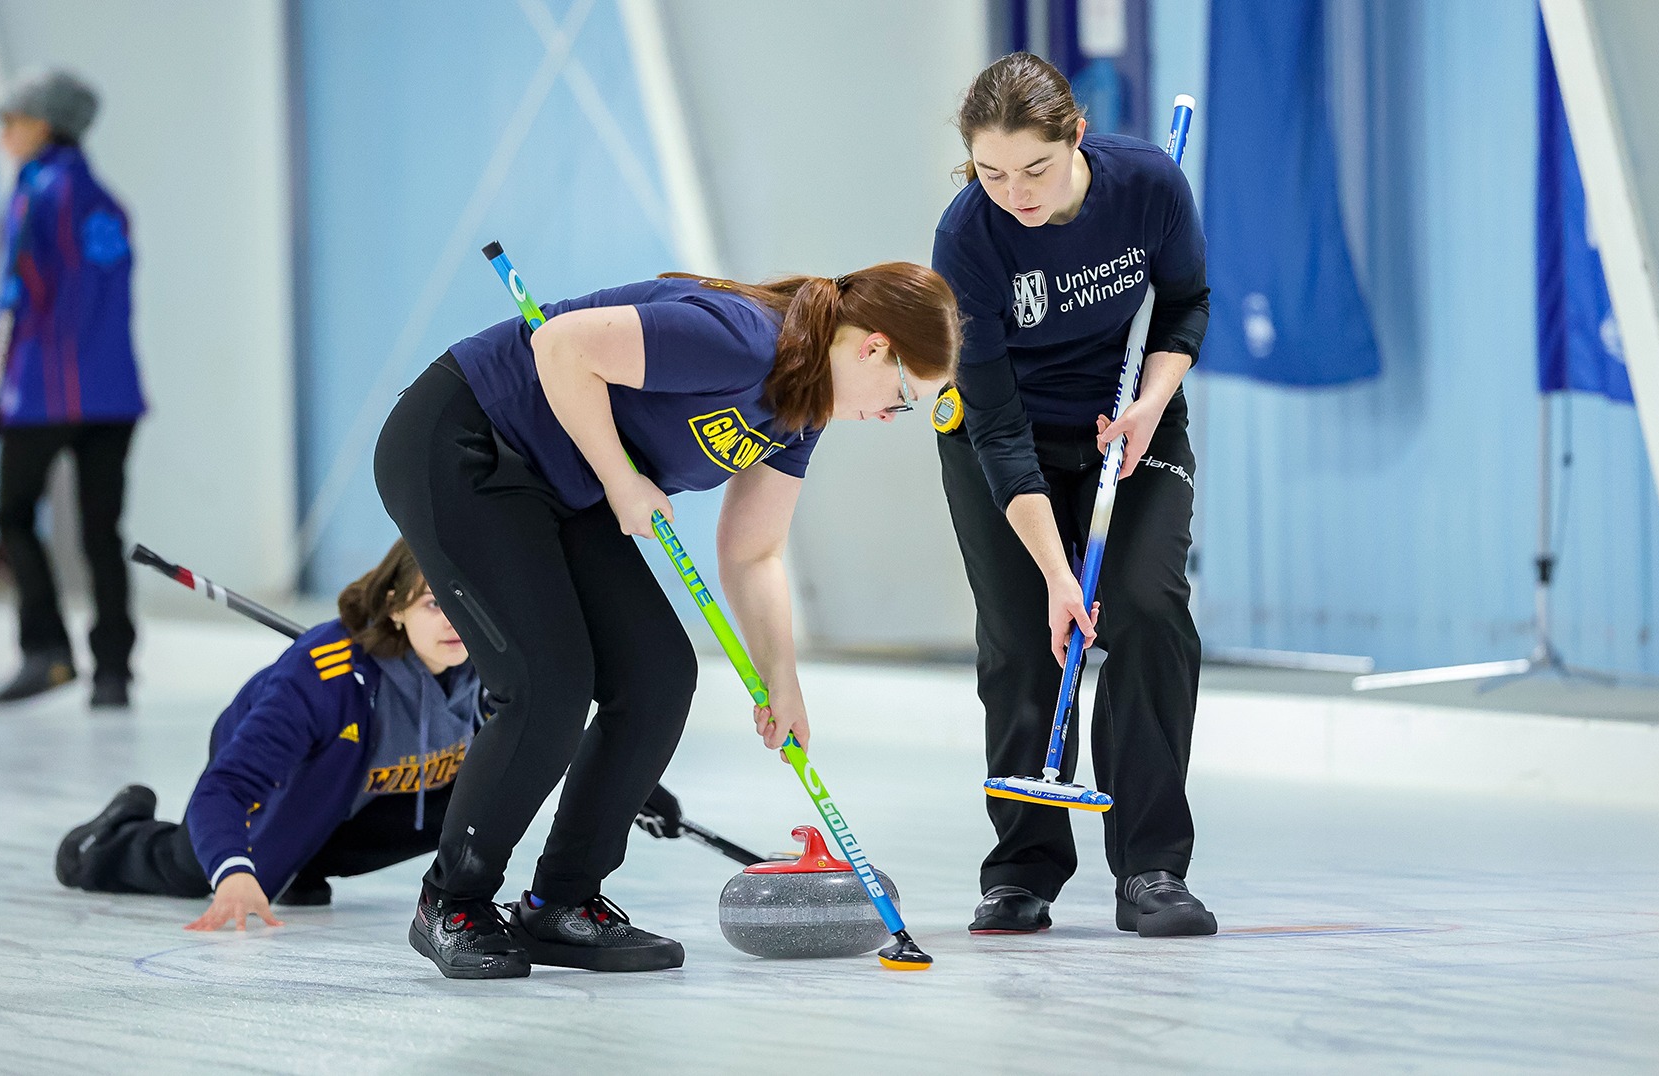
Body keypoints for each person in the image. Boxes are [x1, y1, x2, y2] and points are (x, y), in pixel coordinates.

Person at [375, 264, 960, 978]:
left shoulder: (803, 411)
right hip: (468, 441)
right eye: (902, 399)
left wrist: (781, 678)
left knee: (656, 676)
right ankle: (452, 901)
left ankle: (561, 902)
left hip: (563, 480)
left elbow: (753, 551)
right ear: (874, 347)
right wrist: (622, 482)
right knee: (546, 684)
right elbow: (561, 346)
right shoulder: (743, 339)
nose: (889, 416)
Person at [932, 53, 1216, 939]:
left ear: (1076, 138)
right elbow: (997, 430)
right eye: (990, 171)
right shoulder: (967, 240)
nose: (1014, 190)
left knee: (1144, 605)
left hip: (1131, 422)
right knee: (1024, 638)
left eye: (1035, 168)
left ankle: (1153, 868)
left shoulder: (1150, 189)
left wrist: (1149, 405)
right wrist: (1059, 573)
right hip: (1002, 434)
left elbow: (1183, 308)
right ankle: (1023, 867)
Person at [53, 540, 480, 930]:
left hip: (359, 794)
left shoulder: (494, 664)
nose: (453, 620)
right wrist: (233, 871)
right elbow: (224, 788)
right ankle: (102, 845)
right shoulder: (323, 676)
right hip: (284, 778)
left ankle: (302, 860)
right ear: (394, 607)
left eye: (463, 602)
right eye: (432, 604)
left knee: (478, 802)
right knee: (194, 869)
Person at [0, 70, 147, 709]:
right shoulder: (108, 203)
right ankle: (114, 671)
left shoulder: (36, 194)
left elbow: (16, 302)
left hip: (43, 393)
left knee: (12, 515)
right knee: (101, 533)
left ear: (43, 125)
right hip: (114, 395)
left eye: (12, 121)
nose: (6, 133)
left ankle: (48, 651)